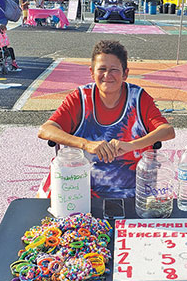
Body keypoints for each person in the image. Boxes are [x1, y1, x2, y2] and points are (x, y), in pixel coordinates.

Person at [37, 40, 176, 200]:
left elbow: (167, 130)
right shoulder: (80, 98)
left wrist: (131, 145)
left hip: (132, 192)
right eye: (101, 69)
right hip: (78, 190)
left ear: (125, 73)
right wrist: (86, 144)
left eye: (114, 70)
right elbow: (45, 130)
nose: (107, 75)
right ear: (92, 72)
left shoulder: (138, 98)